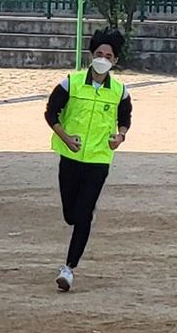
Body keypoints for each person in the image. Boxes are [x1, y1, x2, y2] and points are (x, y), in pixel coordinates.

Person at [44, 27, 133, 291]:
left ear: (115, 61)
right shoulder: (69, 83)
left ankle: (69, 268)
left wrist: (121, 136)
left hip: (98, 159)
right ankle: (81, 213)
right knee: (70, 214)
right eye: (98, 53)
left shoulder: (120, 91)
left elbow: (125, 120)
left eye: (108, 55)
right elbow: (51, 114)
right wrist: (65, 137)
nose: (103, 58)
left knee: (83, 215)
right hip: (70, 156)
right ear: (91, 55)